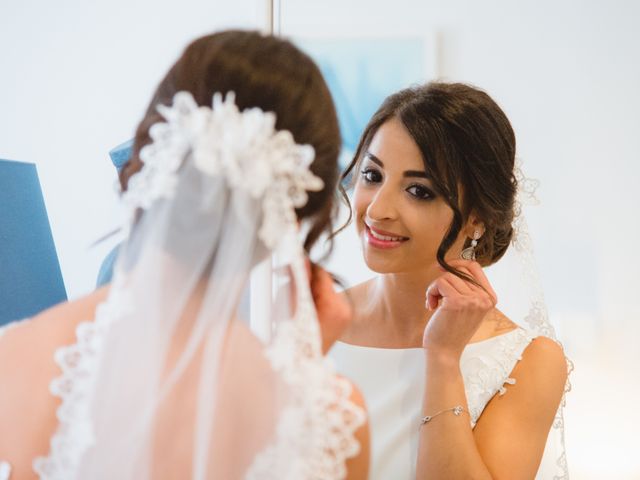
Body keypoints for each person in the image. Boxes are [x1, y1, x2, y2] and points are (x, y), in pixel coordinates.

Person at [0, 30, 369, 479]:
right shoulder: (331, 420)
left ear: (147, 157)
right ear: (294, 215)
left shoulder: (13, 361)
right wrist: (301, 383)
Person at [330, 82, 571, 479]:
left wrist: (442, 360)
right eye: (372, 174)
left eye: (417, 191)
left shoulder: (529, 362)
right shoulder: (311, 325)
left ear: (476, 216)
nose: (377, 208)